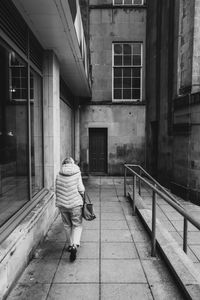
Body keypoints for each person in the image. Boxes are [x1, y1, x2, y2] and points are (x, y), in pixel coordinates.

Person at [55, 157, 85, 262]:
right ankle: (75, 245)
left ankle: (70, 244)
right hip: (75, 204)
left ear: (63, 164)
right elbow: (81, 189)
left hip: (62, 205)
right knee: (77, 225)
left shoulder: (59, 174)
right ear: (72, 164)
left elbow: (57, 189)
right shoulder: (77, 173)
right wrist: (83, 196)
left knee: (67, 225)